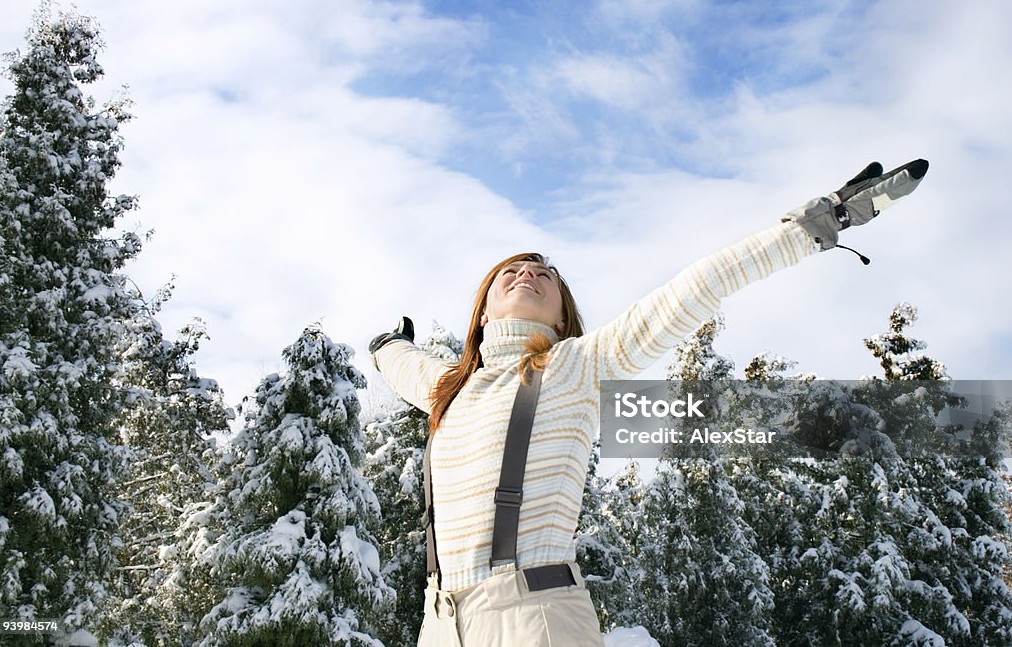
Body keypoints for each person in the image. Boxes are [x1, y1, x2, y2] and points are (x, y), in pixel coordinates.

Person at [369, 160, 928, 646]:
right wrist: (386, 345)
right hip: (438, 624)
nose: (527, 275)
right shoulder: (449, 388)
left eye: (544, 276)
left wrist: (813, 227)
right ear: (484, 313)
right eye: (511, 272)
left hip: (532, 616)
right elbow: (400, 364)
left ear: (562, 319)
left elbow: (695, 289)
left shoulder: (576, 365)